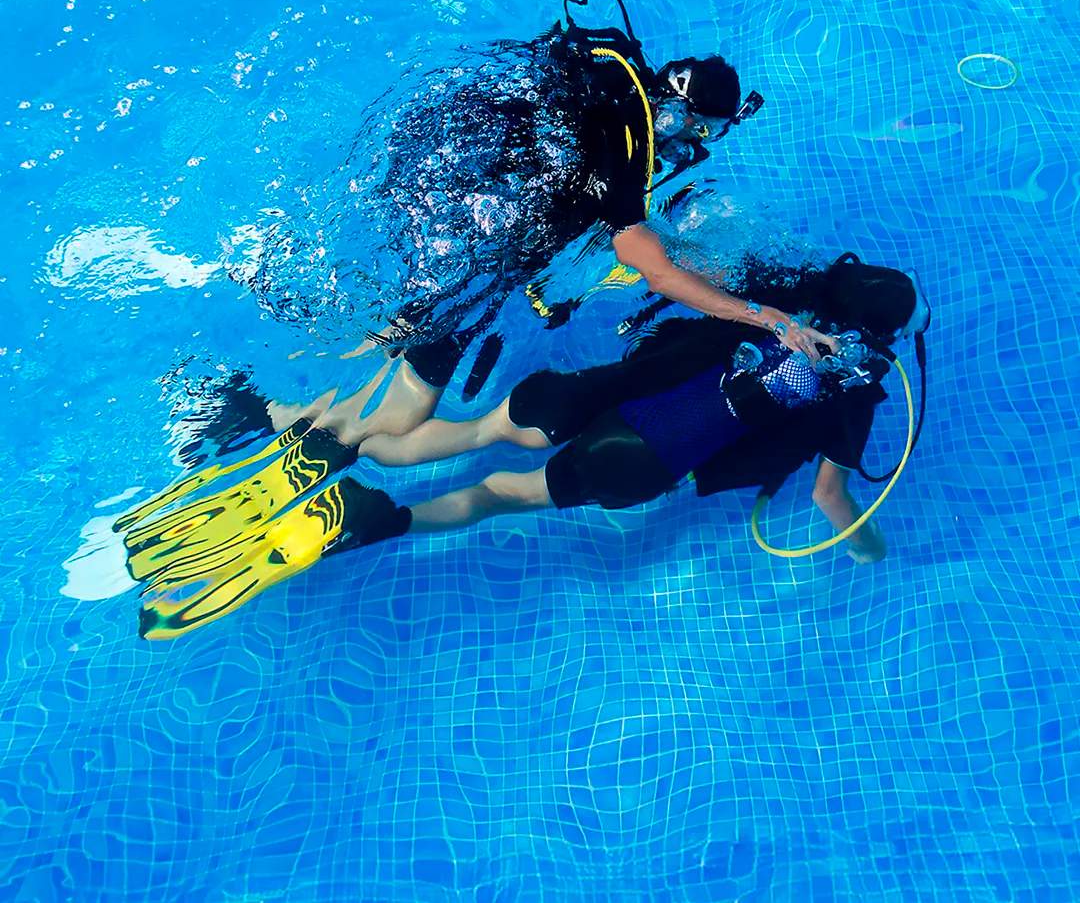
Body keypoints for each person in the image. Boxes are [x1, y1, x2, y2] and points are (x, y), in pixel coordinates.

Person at [120, 253, 928, 640]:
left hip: (573, 399)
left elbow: (674, 282)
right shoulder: (855, 388)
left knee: (471, 434)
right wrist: (872, 555)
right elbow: (830, 496)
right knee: (493, 496)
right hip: (635, 460)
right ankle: (369, 521)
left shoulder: (769, 302)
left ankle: (323, 434)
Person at [249, 0, 837, 451]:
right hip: (483, 247)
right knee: (408, 413)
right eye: (700, 129)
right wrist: (766, 317)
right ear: (680, 110)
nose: (694, 144)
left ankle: (266, 391)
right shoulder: (628, 147)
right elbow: (654, 271)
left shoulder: (608, 69)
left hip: (442, 170)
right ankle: (269, 416)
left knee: (387, 330)